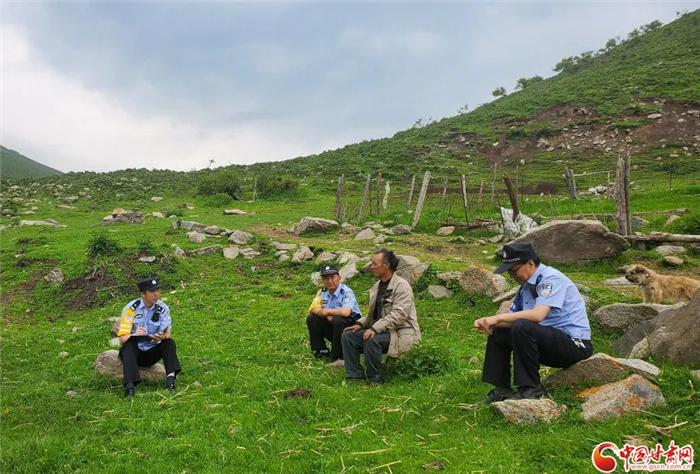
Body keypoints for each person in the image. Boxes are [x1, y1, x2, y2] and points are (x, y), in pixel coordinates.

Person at [474, 242, 593, 403]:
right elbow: (511, 318)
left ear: (530, 263)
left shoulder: (550, 279)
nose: (512, 276)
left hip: (575, 346)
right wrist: (487, 322)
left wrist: (498, 318)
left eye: (514, 271)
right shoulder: (525, 288)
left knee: (521, 325)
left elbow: (538, 315)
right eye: (509, 272)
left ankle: (531, 388)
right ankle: (501, 389)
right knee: (499, 330)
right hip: (547, 343)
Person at [341, 248, 421, 384]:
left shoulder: (402, 286)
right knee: (348, 336)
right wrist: (360, 324)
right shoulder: (377, 286)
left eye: (374, 264)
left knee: (372, 339)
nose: (371, 267)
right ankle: (355, 375)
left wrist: (374, 329)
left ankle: (375, 379)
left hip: (401, 332)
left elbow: (399, 314)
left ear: (386, 265)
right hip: (383, 330)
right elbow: (373, 314)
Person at [117, 277, 181, 398]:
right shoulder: (130, 309)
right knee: (129, 344)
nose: (156, 294)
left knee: (169, 343)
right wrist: (134, 335)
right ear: (142, 294)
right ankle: (129, 388)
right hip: (135, 353)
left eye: (157, 290)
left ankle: (170, 382)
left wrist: (162, 337)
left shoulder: (163, 308)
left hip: (151, 352)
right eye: (152, 291)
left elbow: (168, 333)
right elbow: (122, 340)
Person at [307, 265, 361, 368]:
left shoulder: (346, 292)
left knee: (339, 319)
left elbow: (345, 312)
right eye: (326, 278)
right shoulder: (322, 292)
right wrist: (327, 315)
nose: (329, 281)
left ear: (339, 278)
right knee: (312, 318)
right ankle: (322, 350)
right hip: (333, 326)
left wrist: (327, 311)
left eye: (332, 277)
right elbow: (313, 308)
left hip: (350, 330)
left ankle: (339, 356)